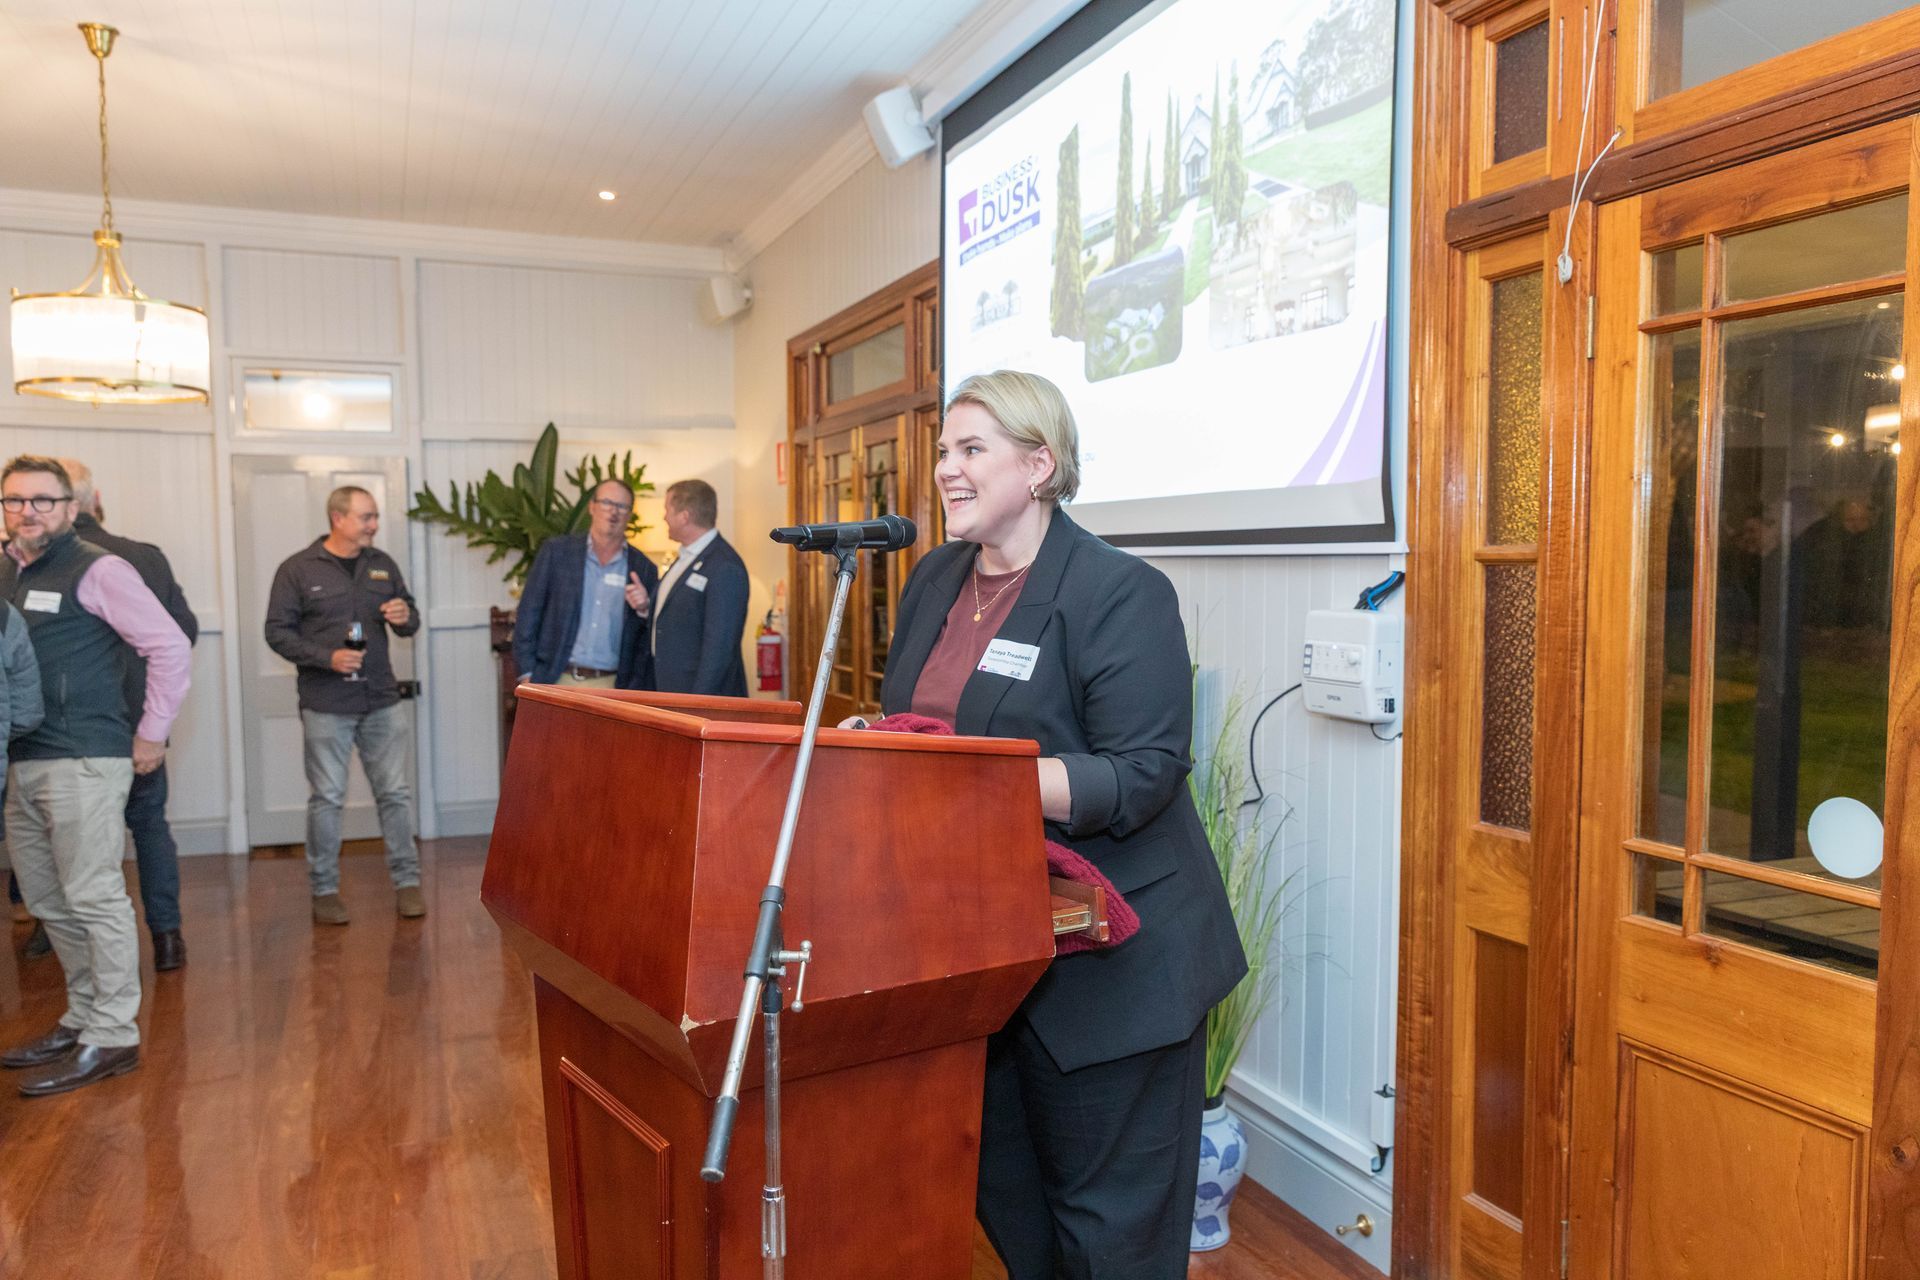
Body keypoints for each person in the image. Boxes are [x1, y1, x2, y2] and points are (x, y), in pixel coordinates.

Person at [867, 371, 1246, 1277]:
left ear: (1039, 465)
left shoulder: (1119, 591)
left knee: (1109, 1233)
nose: (946, 472)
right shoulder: (934, 580)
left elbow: (1143, 774)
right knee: (1013, 1208)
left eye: (971, 451)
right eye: (944, 452)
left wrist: (972, 771)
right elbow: (914, 721)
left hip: (1114, 967)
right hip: (984, 953)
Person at [0, 456, 191, 1097]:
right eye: (14, 500)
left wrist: (153, 731)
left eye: (43, 500)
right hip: (23, 759)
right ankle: (81, 1018)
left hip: (85, 757)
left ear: (71, 508)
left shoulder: (99, 568)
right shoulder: (7, 573)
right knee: (49, 902)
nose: (28, 511)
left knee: (94, 897)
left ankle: (113, 1035)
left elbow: (168, 645)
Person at [264, 486, 423, 925]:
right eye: (366, 517)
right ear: (338, 518)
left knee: (394, 794)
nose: (374, 524)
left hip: (381, 699)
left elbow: (411, 619)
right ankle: (324, 890)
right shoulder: (297, 570)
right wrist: (326, 658)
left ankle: (408, 883)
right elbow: (276, 632)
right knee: (328, 798)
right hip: (326, 702)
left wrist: (404, 616)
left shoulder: (382, 565)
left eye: (374, 517)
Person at [63, 459, 198, 971]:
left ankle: (60, 944)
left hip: (70, 727)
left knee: (68, 836)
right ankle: (167, 938)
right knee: (148, 825)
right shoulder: (145, 557)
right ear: (96, 499)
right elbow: (183, 630)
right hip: (142, 718)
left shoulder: (33, 566)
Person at [513, 479, 659, 689]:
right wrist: (527, 675)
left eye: (622, 506)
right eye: (607, 503)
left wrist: (645, 609)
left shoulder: (643, 568)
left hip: (613, 686)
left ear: (629, 514)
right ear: (592, 507)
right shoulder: (557, 553)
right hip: (555, 680)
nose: (613, 512)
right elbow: (528, 614)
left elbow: (649, 640)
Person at [649, 479, 749, 697]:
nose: (664, 517)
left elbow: (720, 648)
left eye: (667, 510)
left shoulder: (724, 566)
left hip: (699, 697)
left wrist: (698, 702)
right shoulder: (686, 556)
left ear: (684, 516)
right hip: (671, 689)